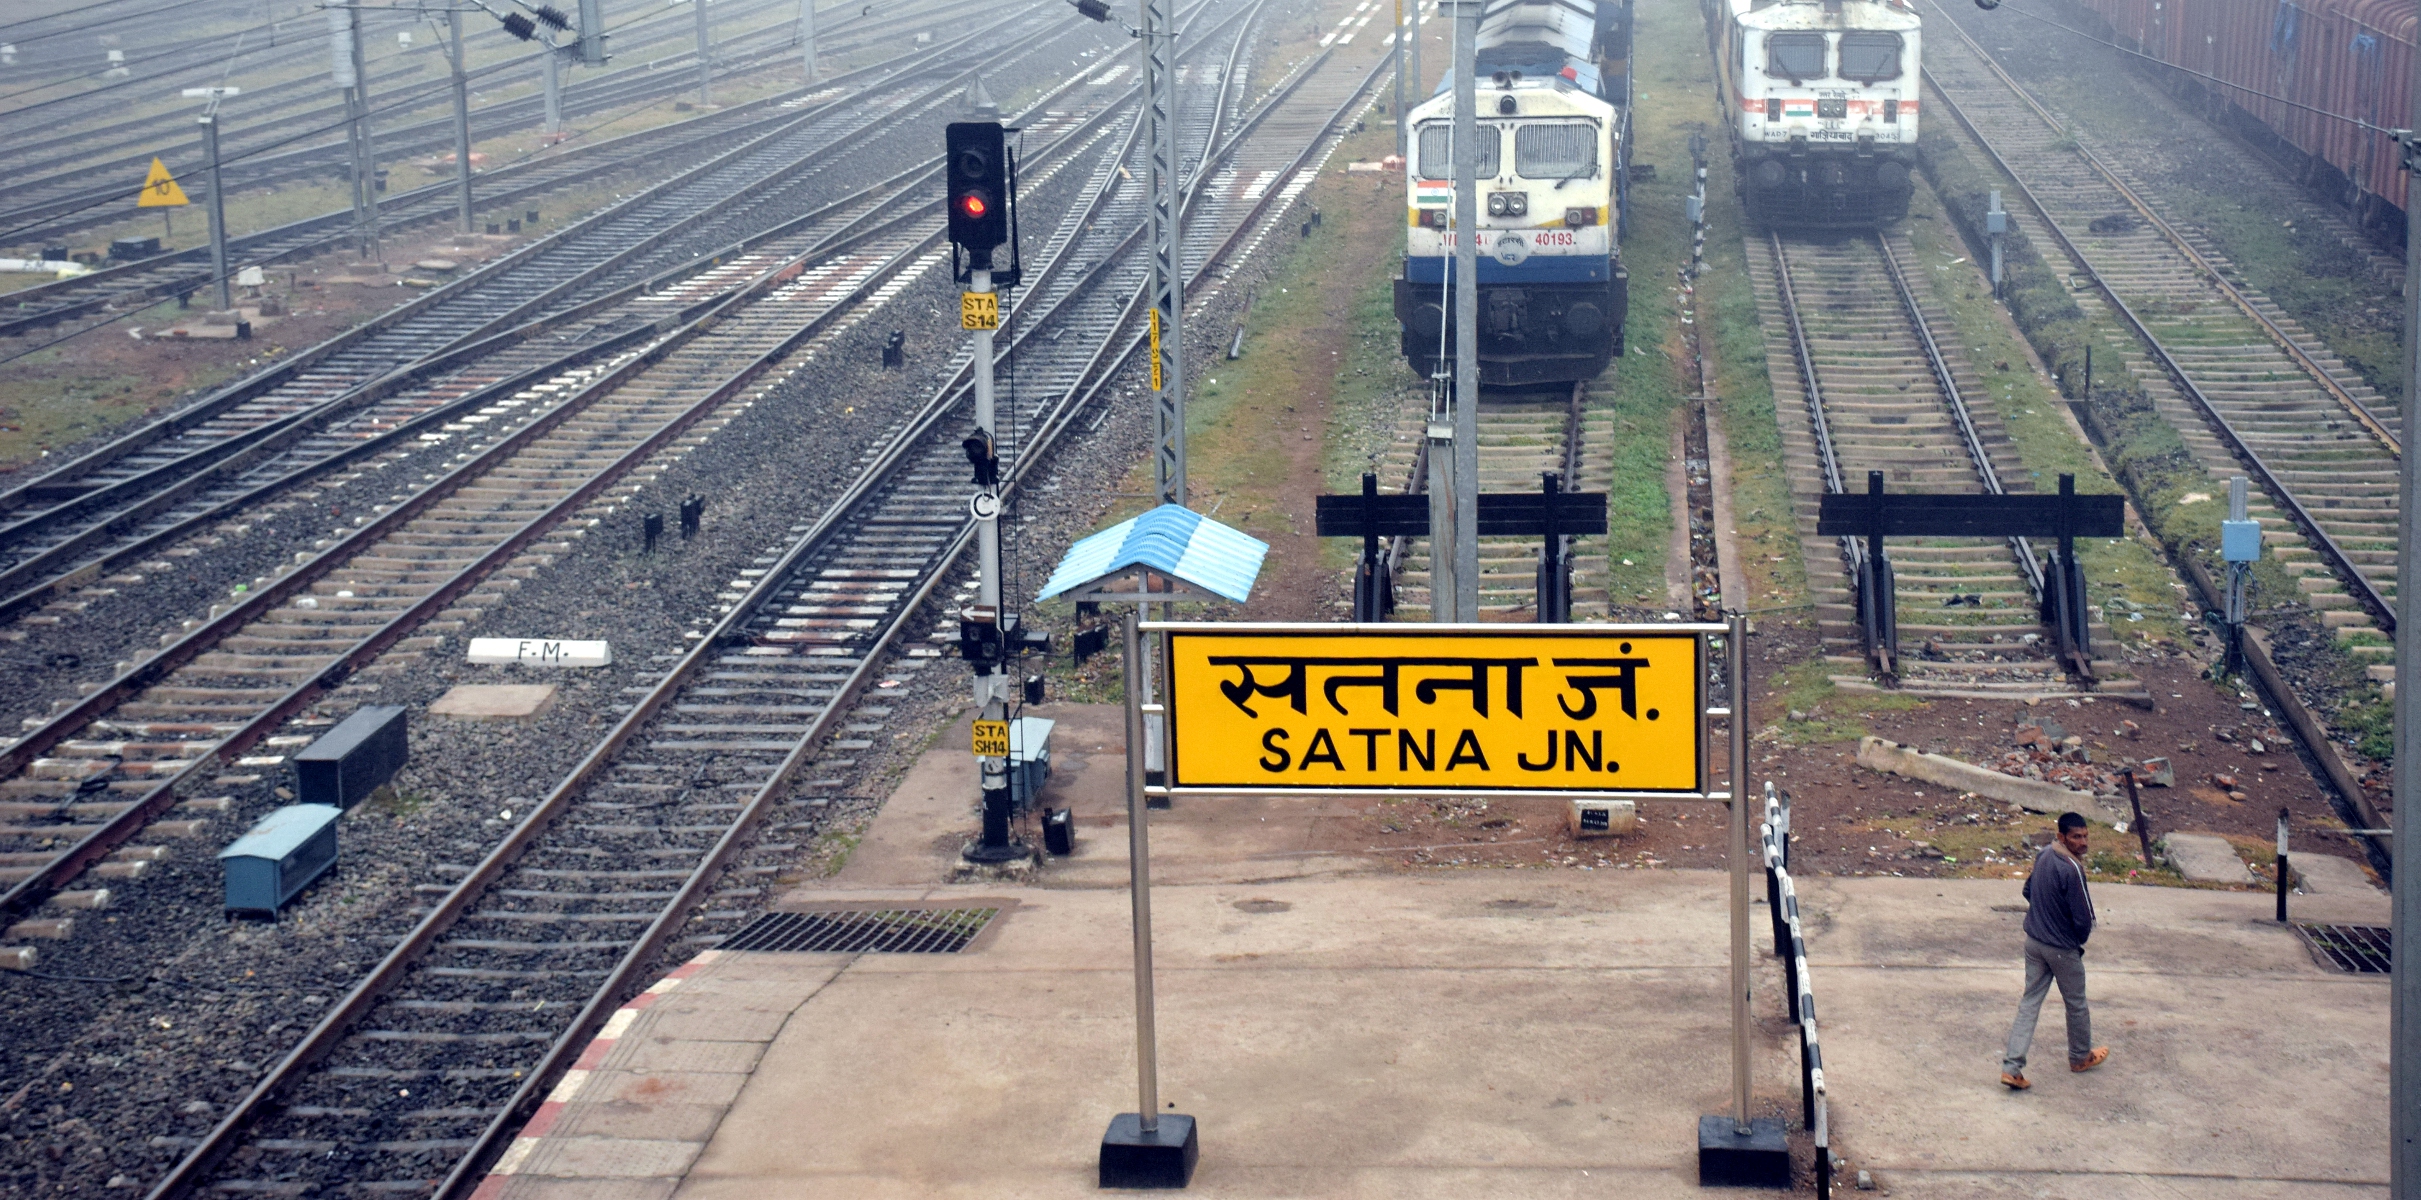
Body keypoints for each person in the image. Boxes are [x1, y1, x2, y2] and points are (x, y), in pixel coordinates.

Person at [2000, 811, 2108, 1089]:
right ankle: (2080, 1057)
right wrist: (2075, 939)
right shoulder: (2072, 869)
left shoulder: (2044, 854)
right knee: (2076, 1004)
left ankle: (2011, 1068)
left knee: (2029, 1003)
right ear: (2062, 837)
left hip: (2034, 943)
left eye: (2085, 836)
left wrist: (2044, 914)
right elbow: (2084, 918)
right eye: (2076, 837)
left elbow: (2028, 891)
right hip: (2061, 948)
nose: (2083, 842)